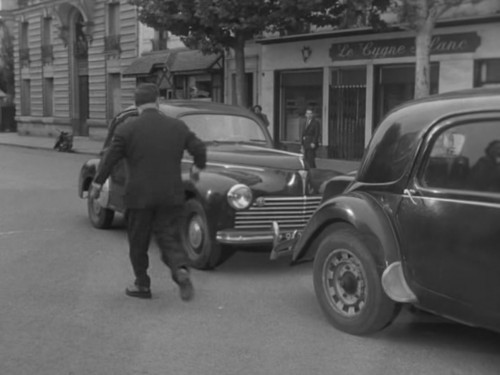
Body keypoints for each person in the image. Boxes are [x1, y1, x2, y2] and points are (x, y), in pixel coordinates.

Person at [90, 83, 206, 300]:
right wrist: (198, 168)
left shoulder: (126, 129)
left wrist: (97, 184)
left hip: (138, 196)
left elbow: (109, 159)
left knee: (138, 242)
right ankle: (180, 268)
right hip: (171, 195)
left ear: (136, 104)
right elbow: (199, 149)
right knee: (168, 237)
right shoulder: (177, 127)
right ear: (158, 101)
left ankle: (142, 284)